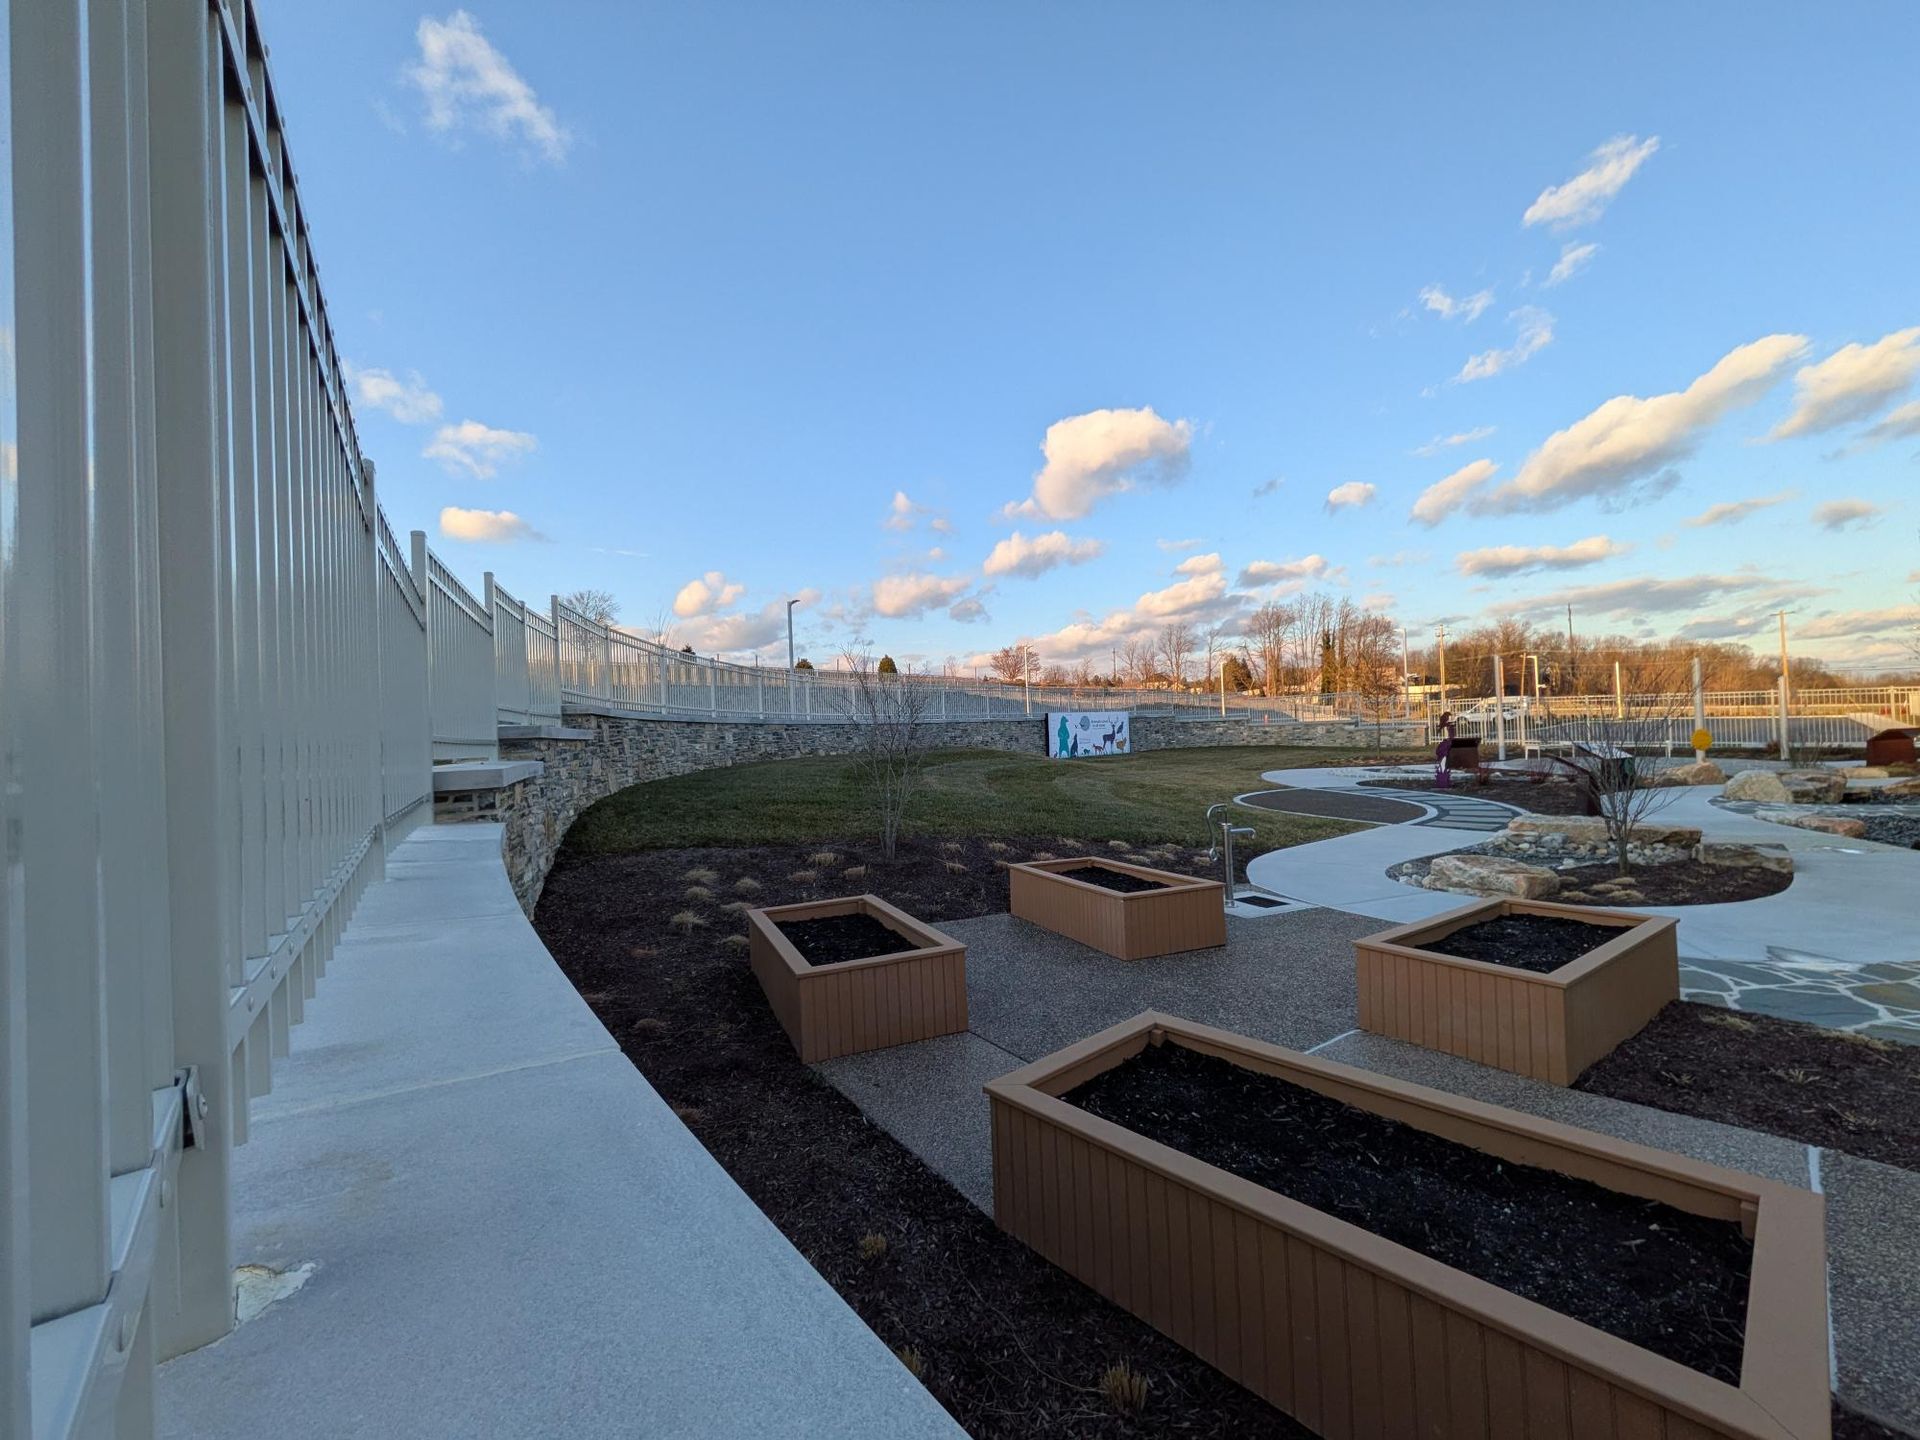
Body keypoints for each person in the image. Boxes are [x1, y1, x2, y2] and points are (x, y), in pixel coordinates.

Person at [1434, 710, 1456, 788]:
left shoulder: (1445, 719)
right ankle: (1443, 779)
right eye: (1449, 716)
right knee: (1444, 761)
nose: (1450, 717)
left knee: (1444, 762)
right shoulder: (1445, 719)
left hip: (1447, 742)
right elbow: (1444, 724)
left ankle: (1443, 778)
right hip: (1446, 743)